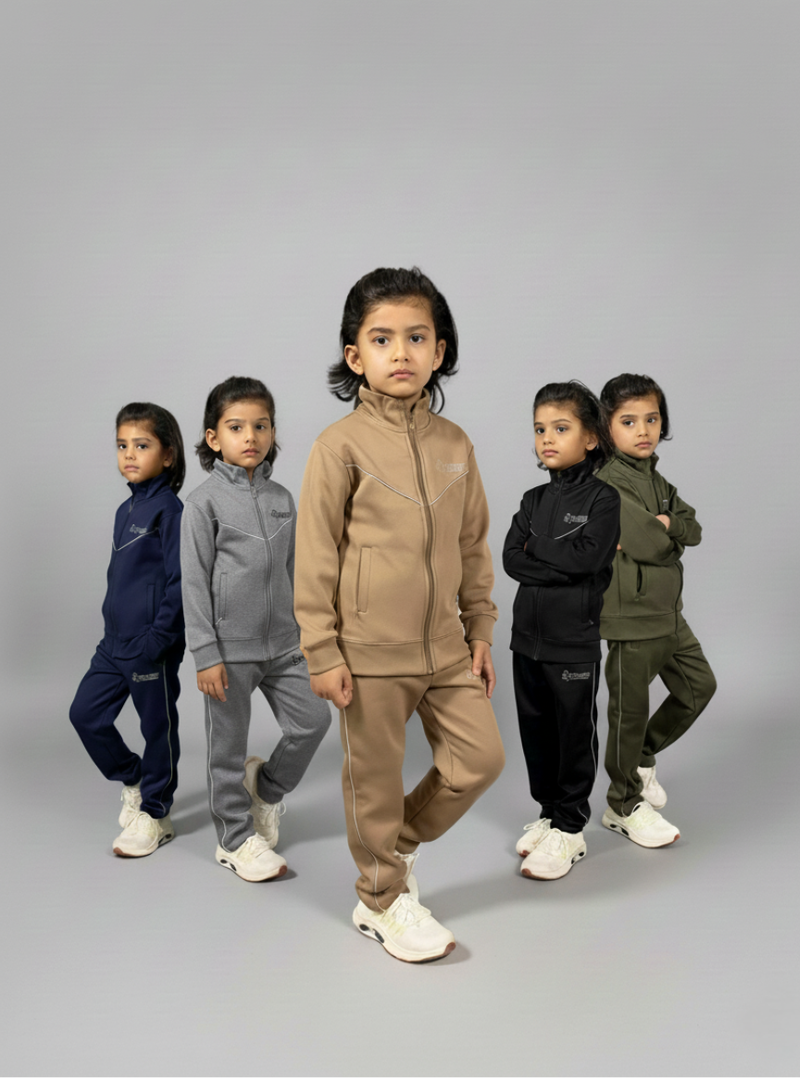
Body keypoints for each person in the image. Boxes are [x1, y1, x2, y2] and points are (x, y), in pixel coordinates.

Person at [294, 266, 505, 963]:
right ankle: (381, 898)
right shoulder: (339, 446)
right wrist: (322, 651)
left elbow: (472, 545)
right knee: (374, 781)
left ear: (439, 350)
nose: (401, 353)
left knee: (480, 760)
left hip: (445, 646)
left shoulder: (456, 445)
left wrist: (479, 629)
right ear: (355, 356)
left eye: (417, 337)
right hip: (368, 651)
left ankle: (398, 845)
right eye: (382, 339)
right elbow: (315, 556)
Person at [181, 376, 331, 882]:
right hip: (229, 651)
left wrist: (309, 635)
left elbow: (295, 573)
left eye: (261, 426)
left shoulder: (283, 498)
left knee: (313, 722)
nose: (251, 436)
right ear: (213, 438)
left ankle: (265, 790)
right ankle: (234, 838)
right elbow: (194, 584)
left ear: (272, 433)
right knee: (226, 749)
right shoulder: (202, 503)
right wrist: (206, 654)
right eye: (236, 427)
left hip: (286, 646)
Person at [503, 381, 620, 880]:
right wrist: (559, 563)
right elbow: (511, 559)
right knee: (536, 731)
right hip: (526, 639)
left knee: (573, 734)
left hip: (573, 640)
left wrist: (539, 550)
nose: (547, 438)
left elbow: (588, 559)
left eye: (560, 428)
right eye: (539, 429)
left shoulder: (604, 499)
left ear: (590, 437)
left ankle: (571, 828)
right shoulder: (532, 499)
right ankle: (550, 814)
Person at [597, 373, 716, 847]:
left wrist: (667, 525)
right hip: (631, 617)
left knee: (698, 688)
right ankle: (623, 803)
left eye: (651, 419)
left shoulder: (657, 479)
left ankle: (644, 756)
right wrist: (666, 532)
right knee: (628, 714)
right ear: (607, 427)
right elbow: (651, 544)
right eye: (629, 421)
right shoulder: (607, 483)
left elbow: (693, 527)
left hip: (669, 614)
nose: (643, 430)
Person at [69, 403, 185, 857]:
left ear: (168, 455)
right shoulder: (125, 509)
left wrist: (158, 639)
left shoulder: (170, 511)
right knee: (85, 715)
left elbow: (180, 582)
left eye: (142, 445)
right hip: (113, 644)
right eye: (122, 446)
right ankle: (133, 778)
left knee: (158, 728)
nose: (129, 455)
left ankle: (156, 813)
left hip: (150, 644)